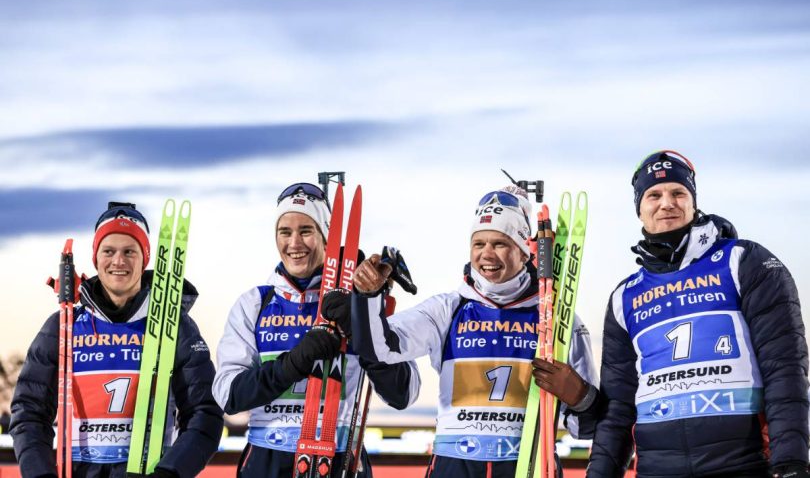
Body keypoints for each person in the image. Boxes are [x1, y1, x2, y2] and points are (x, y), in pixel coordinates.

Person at [347, 185, 598, 478]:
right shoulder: (447, 309)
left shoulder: (560, 319)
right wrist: (368, 297)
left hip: (530, 466)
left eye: (500, 243)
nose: (486, 254)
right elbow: (379, 349)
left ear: (524, 252)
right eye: (478, 244)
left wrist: (582, 397)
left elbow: (585, 429)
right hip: (455, 466)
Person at [587, 150, 810, 478]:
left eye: (678, 193)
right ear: (639, 209)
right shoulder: (625, 295)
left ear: (693, 202)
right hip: (657, 470)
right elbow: (618, 407)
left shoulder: (744, 261)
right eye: (654, 195)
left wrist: (791, 461)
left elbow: (784, 368)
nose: (667, 203)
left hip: (743, 464)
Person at [212, 183, 420, 478]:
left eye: (306, 231)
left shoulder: (365, 299)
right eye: (285, 232)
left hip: (341, 458)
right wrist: (292, 364)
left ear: (326, 238)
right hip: (267, 459)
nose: (294, 243)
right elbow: (228, 396)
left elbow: (404, 393)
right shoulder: (256, 303)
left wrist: (364, 329)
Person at [10, 202, 223, 478]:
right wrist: (40, 474)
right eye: (108, 251)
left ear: (145, 259)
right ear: (96, 258)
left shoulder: (176, 327)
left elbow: (205, 412)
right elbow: (29, 412)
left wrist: (171, 472)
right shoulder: (63, 326)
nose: (118, 261)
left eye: (129, 252)